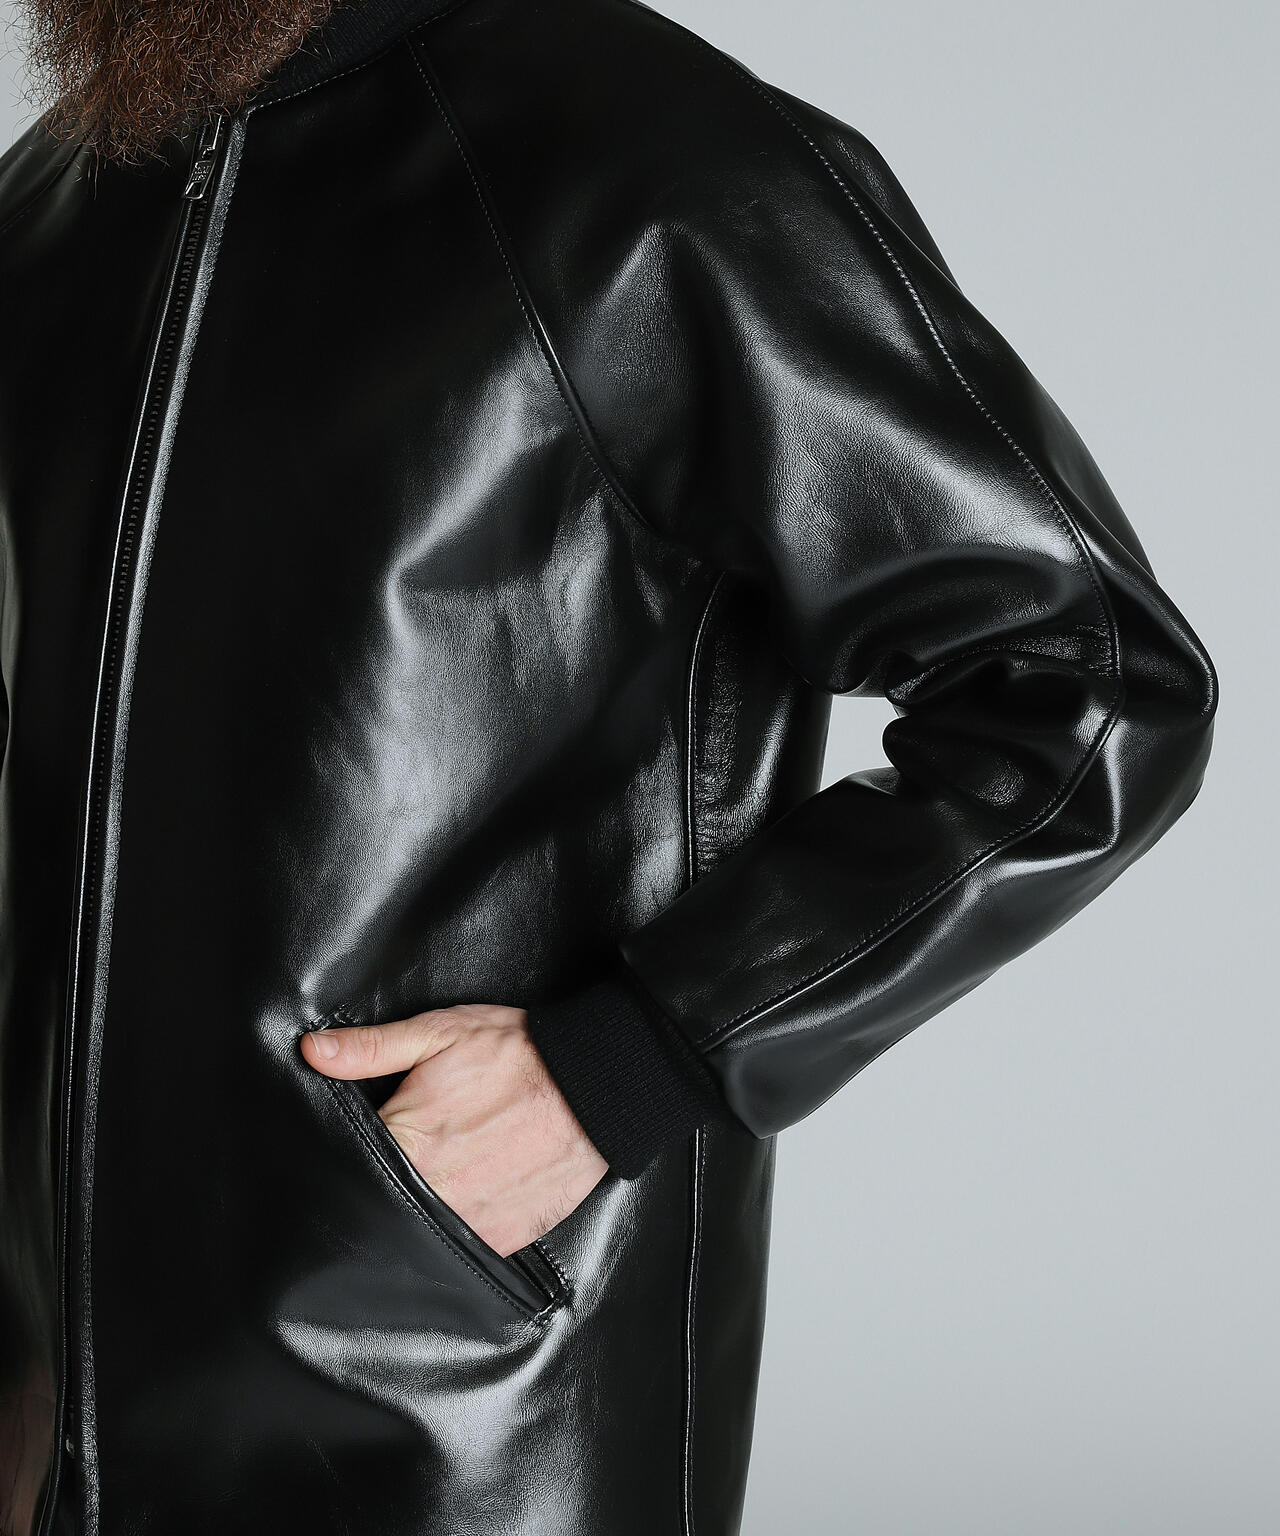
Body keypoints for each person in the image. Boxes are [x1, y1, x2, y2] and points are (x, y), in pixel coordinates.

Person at [0, 0, 1219, 1528]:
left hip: (459, 1410)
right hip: (60, 1434)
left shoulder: (637, 158)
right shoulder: (56, 205)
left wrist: (632, 1058)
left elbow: (1093, 682)